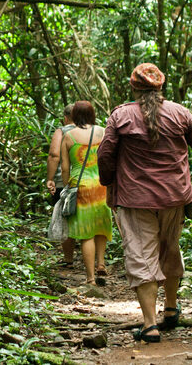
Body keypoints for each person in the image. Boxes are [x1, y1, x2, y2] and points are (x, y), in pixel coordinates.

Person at [97, 63, 192, 343]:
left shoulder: (121, 115)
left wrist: (107, 182)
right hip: (174, 197)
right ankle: (171, 309)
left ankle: (150, 325)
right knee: (169, 248)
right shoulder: (179, 112)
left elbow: (105, 155)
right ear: (161, 86)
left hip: (134, 199)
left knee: (141, 256)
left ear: (134, 87)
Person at [60, 100, 113, 285]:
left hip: (80, 186)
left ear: (73, 116)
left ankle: (90, 278)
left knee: (86, 233)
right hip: (101, 185)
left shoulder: (68, 136)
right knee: (100, 226)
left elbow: (65, 168)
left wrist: (67, 186)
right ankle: (101, 264)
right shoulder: (103, 132)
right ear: (92, 115)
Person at [46, 104, 76, 266]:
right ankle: (94, 261)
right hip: (86, 180)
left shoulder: (61, 131)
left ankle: (68, 258)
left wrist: (50, 178)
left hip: (63, 181)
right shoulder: (91, 131)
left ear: (65, 118)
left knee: (66, 217)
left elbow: (54, 155)